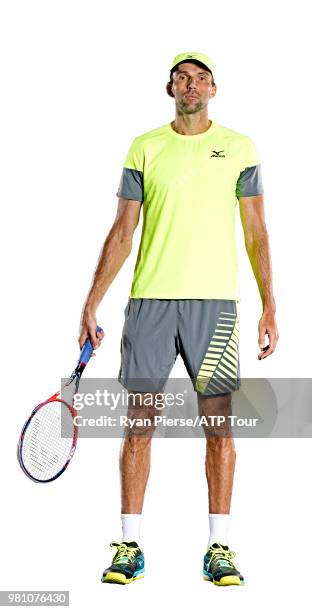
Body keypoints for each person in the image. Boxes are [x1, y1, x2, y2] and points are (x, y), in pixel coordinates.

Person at [79, 51, 279, 586]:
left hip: (214, 305)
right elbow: (123, 232)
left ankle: (219, 547)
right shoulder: (145, 147)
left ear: (215, 88)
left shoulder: (239, 148)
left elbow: (256, 231)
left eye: (200, 78)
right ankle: (129, 545)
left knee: (219, 427)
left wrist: (270, 304)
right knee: (138, 427)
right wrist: (91, 302)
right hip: (150, 304)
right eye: (182, 78)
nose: (191, 85)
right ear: (170, 88)